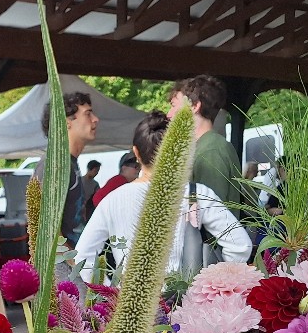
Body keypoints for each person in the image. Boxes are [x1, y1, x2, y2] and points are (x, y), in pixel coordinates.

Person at [74, 111, 251, 283]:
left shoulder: (113, 200)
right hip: (186, 299)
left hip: (130, 300)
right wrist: (212, 286)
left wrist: (110, 291)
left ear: (136, 153)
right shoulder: (197, 193)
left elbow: (82, 256)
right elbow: (240, 245)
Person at [167, 75, 247, 218]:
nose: (169, 114)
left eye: (173, 105)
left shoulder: (211, 151)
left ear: (194, 106)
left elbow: (210, 215)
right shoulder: (207, 146)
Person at [32, 91, 99, 247]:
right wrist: (70, 259)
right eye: (88, 114)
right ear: (67, 122)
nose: (95, 119)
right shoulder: (55, 164)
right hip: (63, 260)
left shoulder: (69, 163)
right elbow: (45, 228)